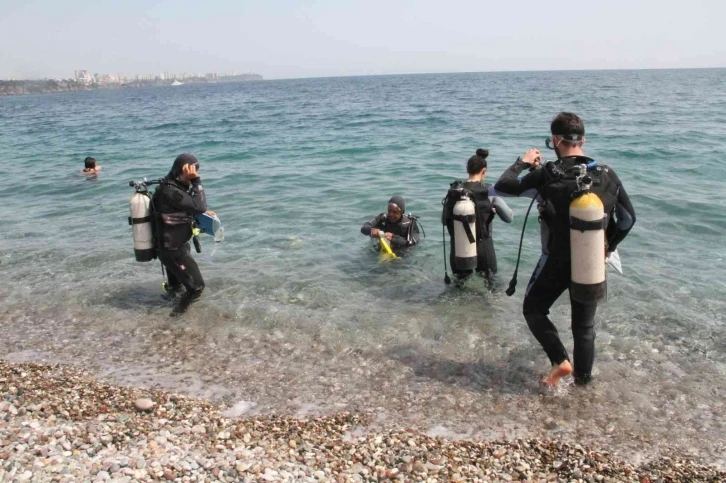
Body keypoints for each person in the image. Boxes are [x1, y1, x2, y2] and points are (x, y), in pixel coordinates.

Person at [494, 112, 636, 387]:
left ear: (556, 141)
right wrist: (609, 245)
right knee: (584, 328)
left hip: (556, 259)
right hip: (591, 260)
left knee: (534, 309)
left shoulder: (548, 173)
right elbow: (629, 219)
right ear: (582, 140)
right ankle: (583, 388)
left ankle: (561, 361)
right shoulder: (606, 174)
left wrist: (521, 163)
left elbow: (503, 186)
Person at [151, 153, 215, 316]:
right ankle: (175, 319)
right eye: (191, 173)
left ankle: (167, 315)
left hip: (172, 247)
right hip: (172, 250)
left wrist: (200, 210)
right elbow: (198, 206)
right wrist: (196, 181)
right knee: (196, 287)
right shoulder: (170, 191)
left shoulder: (171, 187)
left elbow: (191, 206)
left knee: (175, 288)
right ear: (182, 172)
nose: (194, 176)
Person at [442, 148, 513, 281]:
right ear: (484, 171)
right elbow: (509, 218)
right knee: (492, 286)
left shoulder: (453, 191)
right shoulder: (490, 191)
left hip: (459, 248)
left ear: (467, 170)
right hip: (484, 248)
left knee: (459, 287)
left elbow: (444, 221)